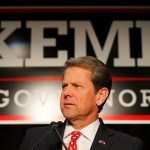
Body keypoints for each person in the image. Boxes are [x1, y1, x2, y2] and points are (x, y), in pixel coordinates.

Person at [19, 56, 143, 150]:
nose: (66, 93)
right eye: (64, 86)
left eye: (77, 86)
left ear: (100, 96)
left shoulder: (128, 145)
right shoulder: (35, 139)